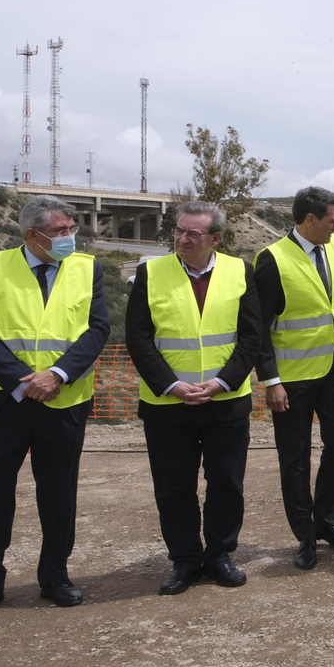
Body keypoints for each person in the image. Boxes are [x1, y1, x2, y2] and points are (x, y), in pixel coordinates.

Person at [0, 195, 110, 622]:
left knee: (58, 493)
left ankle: (55, 577)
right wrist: (23, 380)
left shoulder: (88, 268)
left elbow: (97, 329)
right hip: (3, 401)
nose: (70, 237)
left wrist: (57, 375)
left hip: (64, 400)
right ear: (32, 234)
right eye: (61, 231)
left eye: (72, 229)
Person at [125, 201, 263, 595]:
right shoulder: (150, 273)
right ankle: (185, 560)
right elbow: (138, 337)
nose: (182, 239)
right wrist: (170, 385)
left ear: (215, 238)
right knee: (174, 488)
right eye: (179, 231)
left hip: (226, 402)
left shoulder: (240, 271)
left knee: (226, 484)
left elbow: (252, 336)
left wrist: (224, 382)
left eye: (193, 233)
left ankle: (220, 556)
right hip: (168, 405)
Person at [254, 186, 334, 570]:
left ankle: (328, 521)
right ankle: (305, 535)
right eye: (333, 220)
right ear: (310, 219)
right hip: (292, 378)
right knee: (295, 457)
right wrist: (271, 381)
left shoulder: (333, 247)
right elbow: (258, 327)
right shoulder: (272, 260)